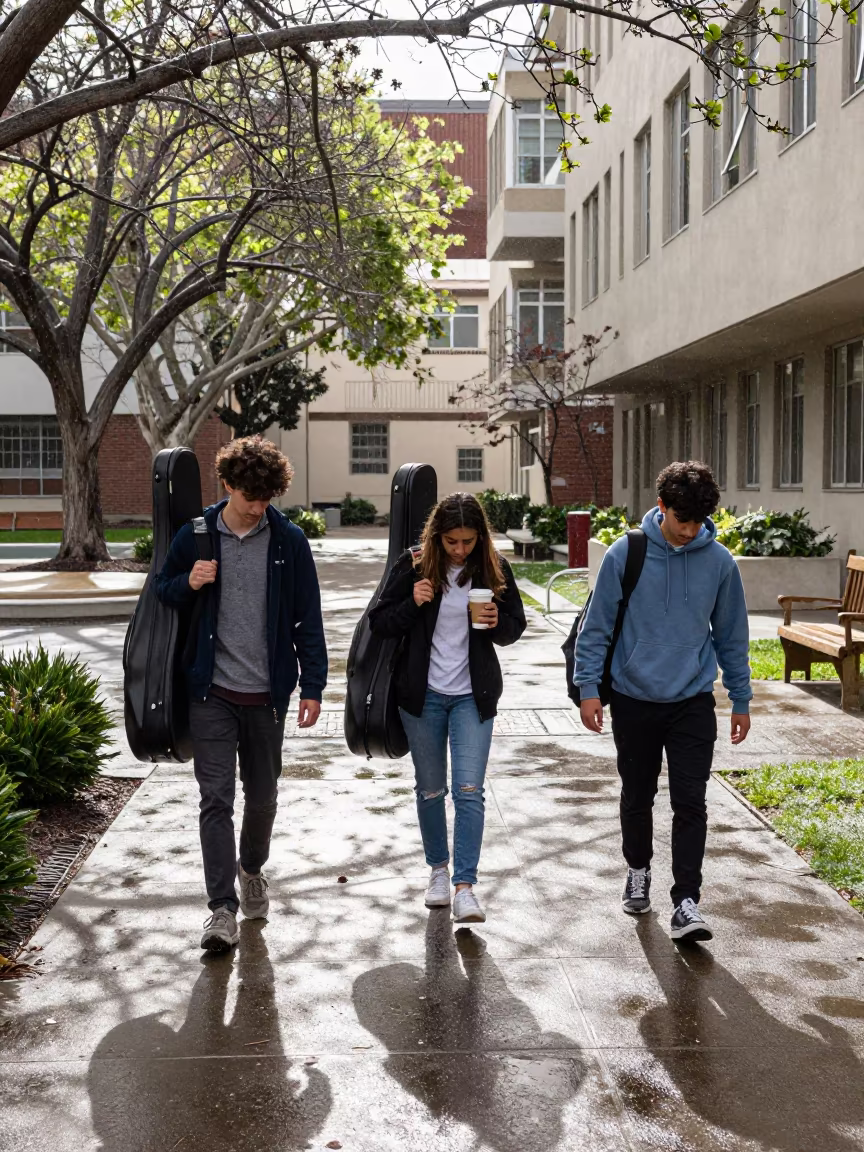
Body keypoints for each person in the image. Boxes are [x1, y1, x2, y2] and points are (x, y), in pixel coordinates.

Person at [155, 435, 327, 952]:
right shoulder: (197, 535)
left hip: (267, 694)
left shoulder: (288, 541)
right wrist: (189, 581)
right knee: (215, 798)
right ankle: (221, 910)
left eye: (268, 497)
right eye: (251, 496)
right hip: (211, 691)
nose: (259, 506)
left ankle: (251, 868)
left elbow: (307, 619)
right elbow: (162, 590)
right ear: (228, 484)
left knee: (264, 796)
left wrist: (313, 685)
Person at [575, 460, 751, 942]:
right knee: (637, 795)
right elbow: (597, 627)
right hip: (634, 697)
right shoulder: (625, 553)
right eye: (680, 520)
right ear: (661, 507)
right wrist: (589, 688)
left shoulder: (719, 563)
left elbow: (733, 636)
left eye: (697, 522)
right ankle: (638, 869)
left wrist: (741, 697)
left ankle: (687, 901)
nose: (688, 530)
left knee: (691, 801)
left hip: (692, 699)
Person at [368, 493, 526, 924]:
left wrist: (497, 622)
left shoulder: (493, 566)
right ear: (438, 536)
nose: (460, 550)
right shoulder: (415, 564)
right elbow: (378, 623)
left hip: (472, 698)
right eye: (452, 542)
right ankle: (438, 872)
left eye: (468, 541)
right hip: (423, 697)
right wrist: (412, 602)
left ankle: (465, 887)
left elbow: (516, 626)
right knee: (431, 789)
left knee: (470, 791)